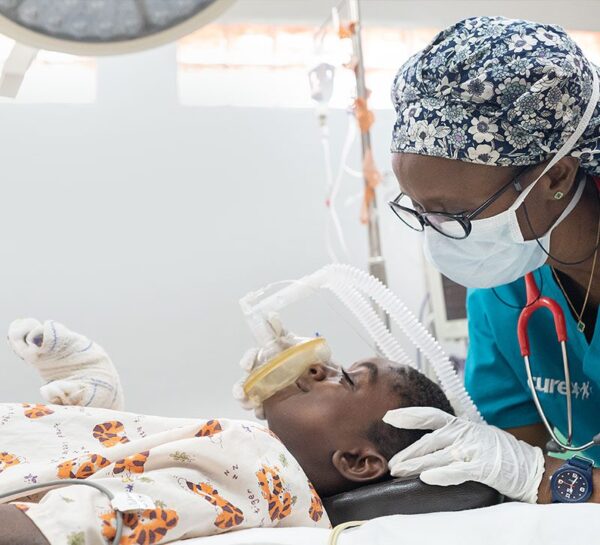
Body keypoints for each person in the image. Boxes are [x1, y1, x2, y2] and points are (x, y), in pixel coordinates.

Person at [385, 15, 600, 501]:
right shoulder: (505, 288)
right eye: (419, 212)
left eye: (456, 213)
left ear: (554, 177)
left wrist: (541, 479)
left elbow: (531, 474)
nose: (441, 236)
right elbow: (512, 450)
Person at [0, 318, 453, 544]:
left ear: (356, 460)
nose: (318, 367)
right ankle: (97, 414)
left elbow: (104, 517)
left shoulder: (262, 472)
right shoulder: (255, 460)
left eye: (346, 379)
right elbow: (149, 479)